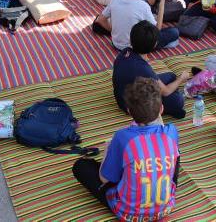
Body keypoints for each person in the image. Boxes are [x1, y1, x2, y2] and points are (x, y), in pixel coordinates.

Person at [72, 78, 180, 221]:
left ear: (129, 111)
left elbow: (105, 178)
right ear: (161, 109)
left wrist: (107, 151)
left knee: (80, 166)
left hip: (129, 215)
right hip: (165, 209)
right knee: (174, 152)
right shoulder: (172, 131)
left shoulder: (122, 137)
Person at [112, 20, 188, 118]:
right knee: (178, 100)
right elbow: (165, 91)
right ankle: (171, 108)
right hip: (131, 105)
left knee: (171, 76)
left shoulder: (125, 52)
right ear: (154, 45)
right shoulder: (143, 68)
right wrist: (182, 78)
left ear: (131, 39)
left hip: (124, 94)